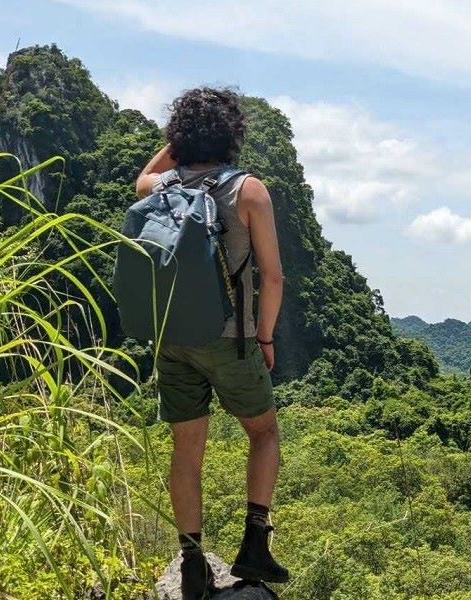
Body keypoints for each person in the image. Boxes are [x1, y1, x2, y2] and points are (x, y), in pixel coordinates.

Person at [135, 87, 289, 598]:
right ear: (233, 134)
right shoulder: (248, 191)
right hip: (232, 340)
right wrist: (264, 337)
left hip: (172, 337)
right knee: (263, 432)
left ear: (180, 137)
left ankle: (193, 564)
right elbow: (273, 279)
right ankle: (255, 545)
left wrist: (175, 142)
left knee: (187, 447)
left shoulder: (160, 186)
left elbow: (141, 177)